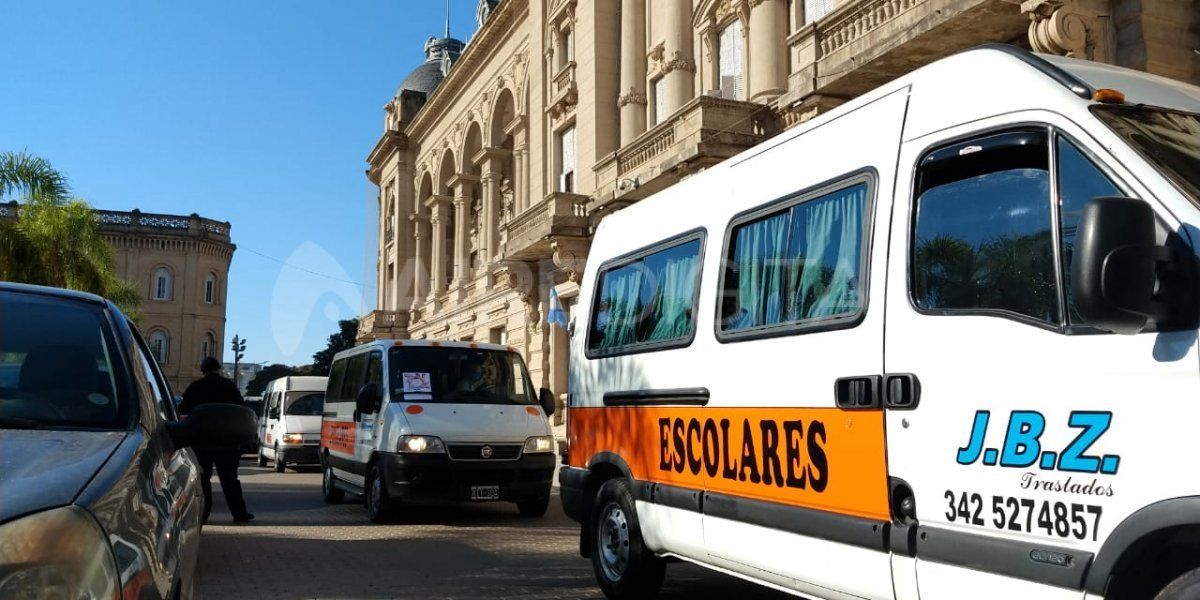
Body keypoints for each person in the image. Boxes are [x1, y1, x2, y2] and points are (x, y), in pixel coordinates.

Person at [180, 357, 254, 524]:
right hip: (227, 441)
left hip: (202, 440)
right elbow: (241, 409)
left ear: (203, 370)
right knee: (230, 479)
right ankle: (239, 512)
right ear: (219, 369)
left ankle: (204, 514)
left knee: (204, 478)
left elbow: (183, 411)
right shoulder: (229, 387)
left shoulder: (195, 387)